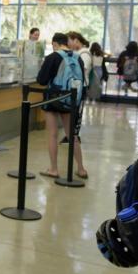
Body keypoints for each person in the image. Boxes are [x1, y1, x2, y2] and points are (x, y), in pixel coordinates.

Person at [36, 32, 88, 180]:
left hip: (53, 100)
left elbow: (42, 80)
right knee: (72, 135)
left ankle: (53, 169)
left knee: (52, 135)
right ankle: (81, 169)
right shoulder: (78, 57)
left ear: (54, 44)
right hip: (71, 99)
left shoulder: (53, 57)